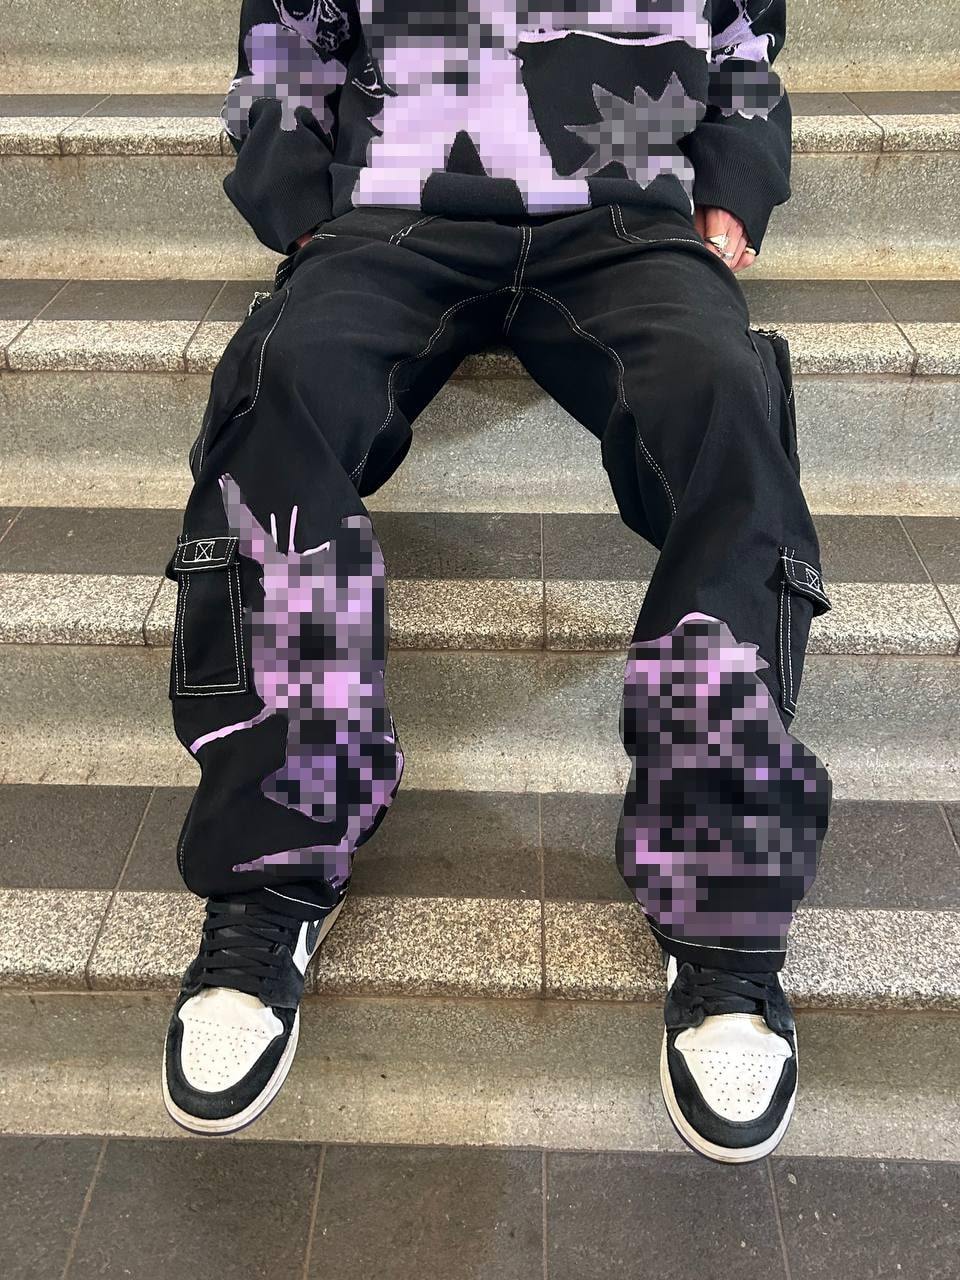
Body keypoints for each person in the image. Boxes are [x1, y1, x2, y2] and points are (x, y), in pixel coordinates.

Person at [161, 0, 832, 1163]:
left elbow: (742, 40)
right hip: (397, 203)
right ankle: (271, 865)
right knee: (282, 385)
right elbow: (287, 36)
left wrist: (736, 179)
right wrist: (297, 197)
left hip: (627, 211)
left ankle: (722, 892)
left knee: (730, 404)